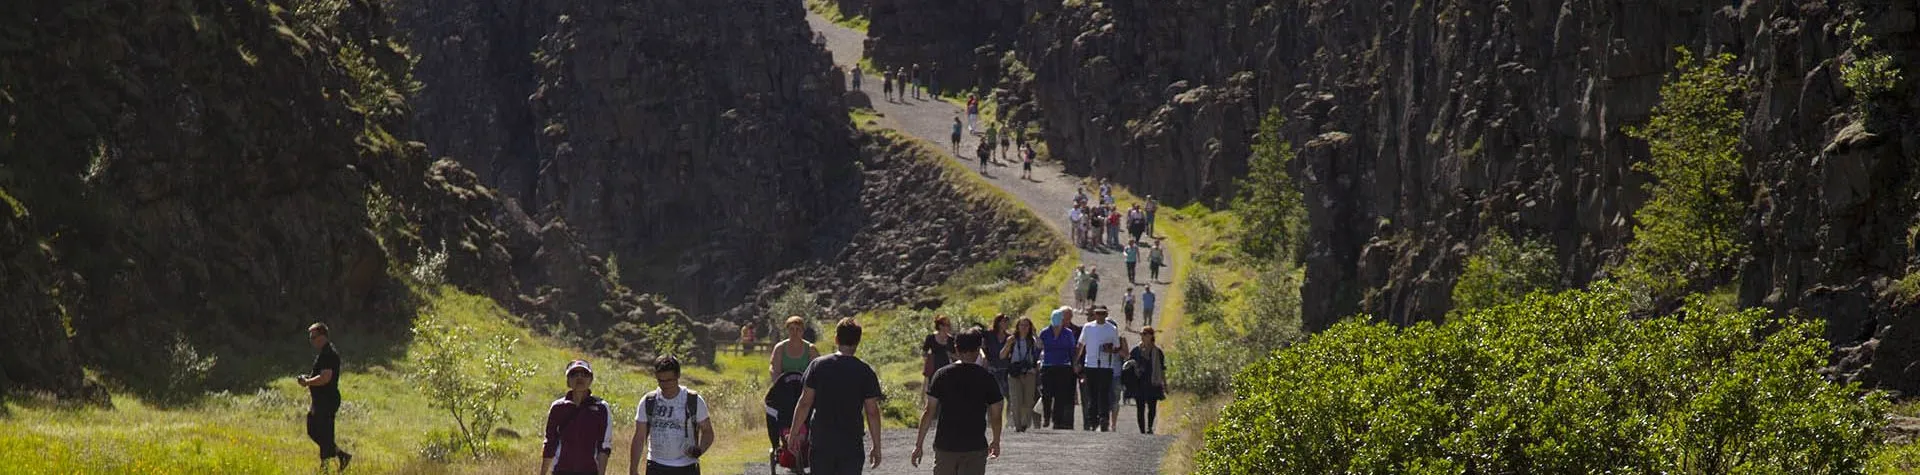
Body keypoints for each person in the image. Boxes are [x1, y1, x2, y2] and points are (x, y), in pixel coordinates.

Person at [789, 318, 886, 474]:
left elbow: (805, 403)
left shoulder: (818, 365)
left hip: (822, 440)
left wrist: (793, 433)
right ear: (858, 342)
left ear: (836, 338)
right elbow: (872, 412)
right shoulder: (865, 371)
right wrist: (876, 445)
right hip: (850, 442)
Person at [910, 329, 1005, 475]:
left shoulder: (942, 375)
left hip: (946, 445)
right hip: (975, 446)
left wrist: (919, 445)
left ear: (956, 349)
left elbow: (929, 411)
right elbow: (996, 414)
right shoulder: (986, 377)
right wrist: (996, 440)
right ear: (978, 350)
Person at [631, 356, 715, 475]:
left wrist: (699, 449)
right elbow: (639, 437)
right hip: (656, 466)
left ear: (678, 376)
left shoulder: (693, 400)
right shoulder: (648, 401)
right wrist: (633, 469)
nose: (665, 385)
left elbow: (708, 432)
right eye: (661, 380)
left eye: (669, 380)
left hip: (687, 467)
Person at [543, 359, 614, 475]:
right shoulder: (558, 407)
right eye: (574, 374)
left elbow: (604, 445)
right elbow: (550, 443)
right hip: (561, 471)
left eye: (585, 374)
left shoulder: (601, 408)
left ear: (591, 380)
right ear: (568, 381)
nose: (579, 378)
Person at [299, 323, 353, 472]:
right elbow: (321, 375)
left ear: (322, 337)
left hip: (327, 400)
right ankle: (341, 456)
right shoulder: (324, 353)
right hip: (320, 401)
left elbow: (325, 377)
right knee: (314, 430)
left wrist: (308, 382)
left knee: (324, 432)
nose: (311, 340)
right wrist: (308, 378)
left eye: (314, 337)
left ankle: (325, 468)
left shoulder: (328, 353)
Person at [1075, 305, 1121, 431]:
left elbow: (1117, 347)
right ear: (1095, 314)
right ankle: (1092, 419)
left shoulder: (1112, 329)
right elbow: (1080, 345)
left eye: (1103, 313)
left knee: (1104, 393)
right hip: (1090, 365)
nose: (1100, 316)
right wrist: (1076, 361)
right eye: (1098, 313)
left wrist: (1109, 349)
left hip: (1106, 366)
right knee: (1092, 393)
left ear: (1106, 315)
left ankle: (1103, 418)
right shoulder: (1088, 327)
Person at [1039, 307, 1079, 430]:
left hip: (1063, 367)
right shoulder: (1045, 332)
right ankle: (1046, 417)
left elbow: (1072, 351)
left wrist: (1074, 364)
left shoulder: (1068, 333)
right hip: (1048, 366)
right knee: (1047, 394)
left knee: (1060, 395)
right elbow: (1039, 348)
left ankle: (1057, 420)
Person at [999, 317, 1041, 432]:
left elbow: (1040, 346)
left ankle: (1024, 424)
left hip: (1029, 373)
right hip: (1014, 373)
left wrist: (1035, 335)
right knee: (1015, 400)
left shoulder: (1032, 340)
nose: (1024, 328)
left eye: (1026, 325)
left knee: (1028, 401)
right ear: (1017, 327)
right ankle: (1018, 426)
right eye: (1021, 325)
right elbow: (1002, 356)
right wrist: (1008, 344)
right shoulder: (1012, 340)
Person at [1129, 328, 1168, 434]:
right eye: (1141, 334)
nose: (1142, 336)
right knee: (1140, 407)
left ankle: (1149, 427)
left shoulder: (1158, 352)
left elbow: (1161, 368)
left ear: (1151, 336)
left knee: (1152, 406)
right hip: (1139, 382)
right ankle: (1142, 430)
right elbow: (1129, 365)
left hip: (1153, 382)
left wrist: (1164, 383)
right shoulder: (1136, 350)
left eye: (1145, 334)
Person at [921, 316, 956, 406]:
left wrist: (950, 355)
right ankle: (932, 411)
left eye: (949, 325)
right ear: (940, 326)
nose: (949, 327)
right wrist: (928, 359)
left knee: (946, 390)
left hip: (947, 366)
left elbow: (957, 356)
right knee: (933, 390)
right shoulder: (931, 338)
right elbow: (924, 352)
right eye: (947, 325)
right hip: (934, 366)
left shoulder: (951, 340)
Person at [770, 316, 818, 382]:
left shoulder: (811, 349)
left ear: (803, 331)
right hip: (784, 386)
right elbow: (775, 372)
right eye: (791, 329)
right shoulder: (780, 348)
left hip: (805, 387)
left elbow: (816, 372)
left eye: (798, 329)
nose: (794, 332)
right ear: (787, 330)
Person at [983, 315, 1011, 397]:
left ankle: (1009, 410)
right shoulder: (989, 334)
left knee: (1008, 394)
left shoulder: (1008, 337)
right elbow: (982, 346)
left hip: (1005, 368)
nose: (1006, 323)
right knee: (995, 394)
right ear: (998, 322)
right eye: (1004, 321)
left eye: (1007, 321)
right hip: (992, 368)